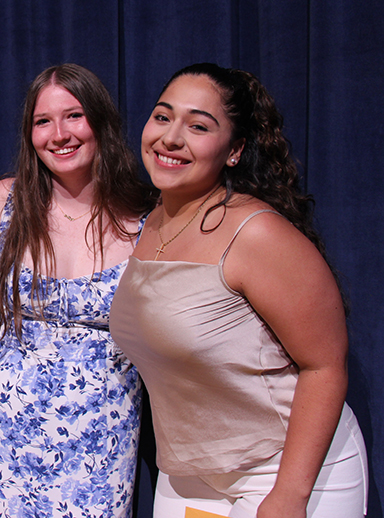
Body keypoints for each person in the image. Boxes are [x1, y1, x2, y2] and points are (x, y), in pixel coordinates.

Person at [109, 63, 368, 518]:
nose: (170, 137)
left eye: (199, 126)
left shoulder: (256, 233)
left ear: (234, 150)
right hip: (188, 476)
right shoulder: (151, 223)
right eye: (163, 117)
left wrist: (290, 495)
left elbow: (325, 364)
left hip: (285, 470)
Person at [0, 63, 156, 517]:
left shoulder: (149, 218)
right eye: (43, 121)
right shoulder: (6, 201)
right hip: (2, 428)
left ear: (100, 121)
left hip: (101, 435)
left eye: (74, 116)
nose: (58, 134)